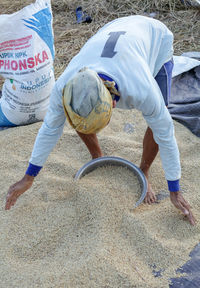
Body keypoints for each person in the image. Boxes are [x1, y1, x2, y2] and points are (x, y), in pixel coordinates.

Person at [5, 15, 196, 225]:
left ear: (113, 104)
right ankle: (97, 156)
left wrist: (174, 189)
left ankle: (144, 169)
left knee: (157, 120)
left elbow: (165, 134)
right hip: (112, 29)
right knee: (81, 115)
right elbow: (50, 128)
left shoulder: (141, 88)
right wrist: (29, 177)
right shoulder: (66, 86)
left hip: (154, 37)